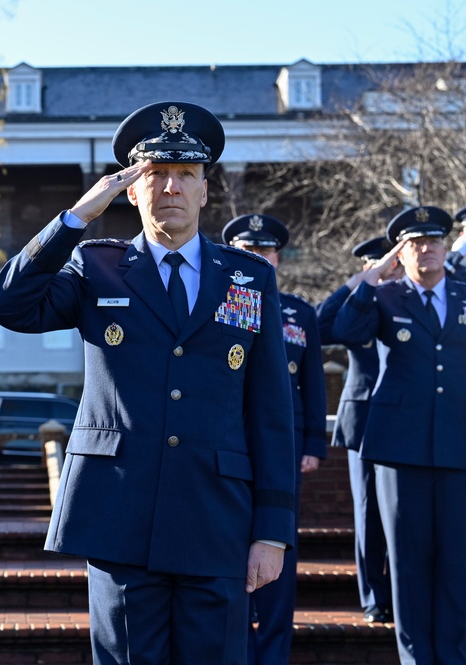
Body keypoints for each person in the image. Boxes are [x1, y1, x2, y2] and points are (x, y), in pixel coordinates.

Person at [0, 101, 296, 665]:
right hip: (120, 516)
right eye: (156, 174)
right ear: (132, 190)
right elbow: (10, 305)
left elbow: (271, 411)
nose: (171, 187)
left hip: (217, 517)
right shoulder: (94, 264)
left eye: (185, 175)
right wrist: (76, 216)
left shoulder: (248, 277)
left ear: (206, 191)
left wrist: (272, 532)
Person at [332, 206, 466, 665]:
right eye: (414, 243)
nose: (425, 249)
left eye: (432, 241)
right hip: (399, 448)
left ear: (446, 248)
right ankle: (416, 659)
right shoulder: (385, 297)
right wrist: (371, 277)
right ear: (400, 253)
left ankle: (452, 655)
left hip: (457, 446)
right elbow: (340, 328)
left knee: (456, 563)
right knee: (407, 564)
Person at [222, 214, 327, 665]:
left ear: (277, 258)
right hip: (230, 440)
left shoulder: (299, 313)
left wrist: (314, 445)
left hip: (285, 444)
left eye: (264, 252)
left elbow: (314, 382)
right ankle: (240, 650)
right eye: (248, 252)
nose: (258, 259)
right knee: (231, 544)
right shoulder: (223, 302)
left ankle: (273, 653)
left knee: (278, 542)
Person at [316, 236, 398, 625]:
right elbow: (321, 325)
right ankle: (374, 599)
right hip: (363, 421)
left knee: (401, 516)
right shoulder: (358, 307)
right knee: (367, 513)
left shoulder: (405, 302)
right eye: (374, 268)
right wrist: (354, 284)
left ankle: (400, 594)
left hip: (403, 420)